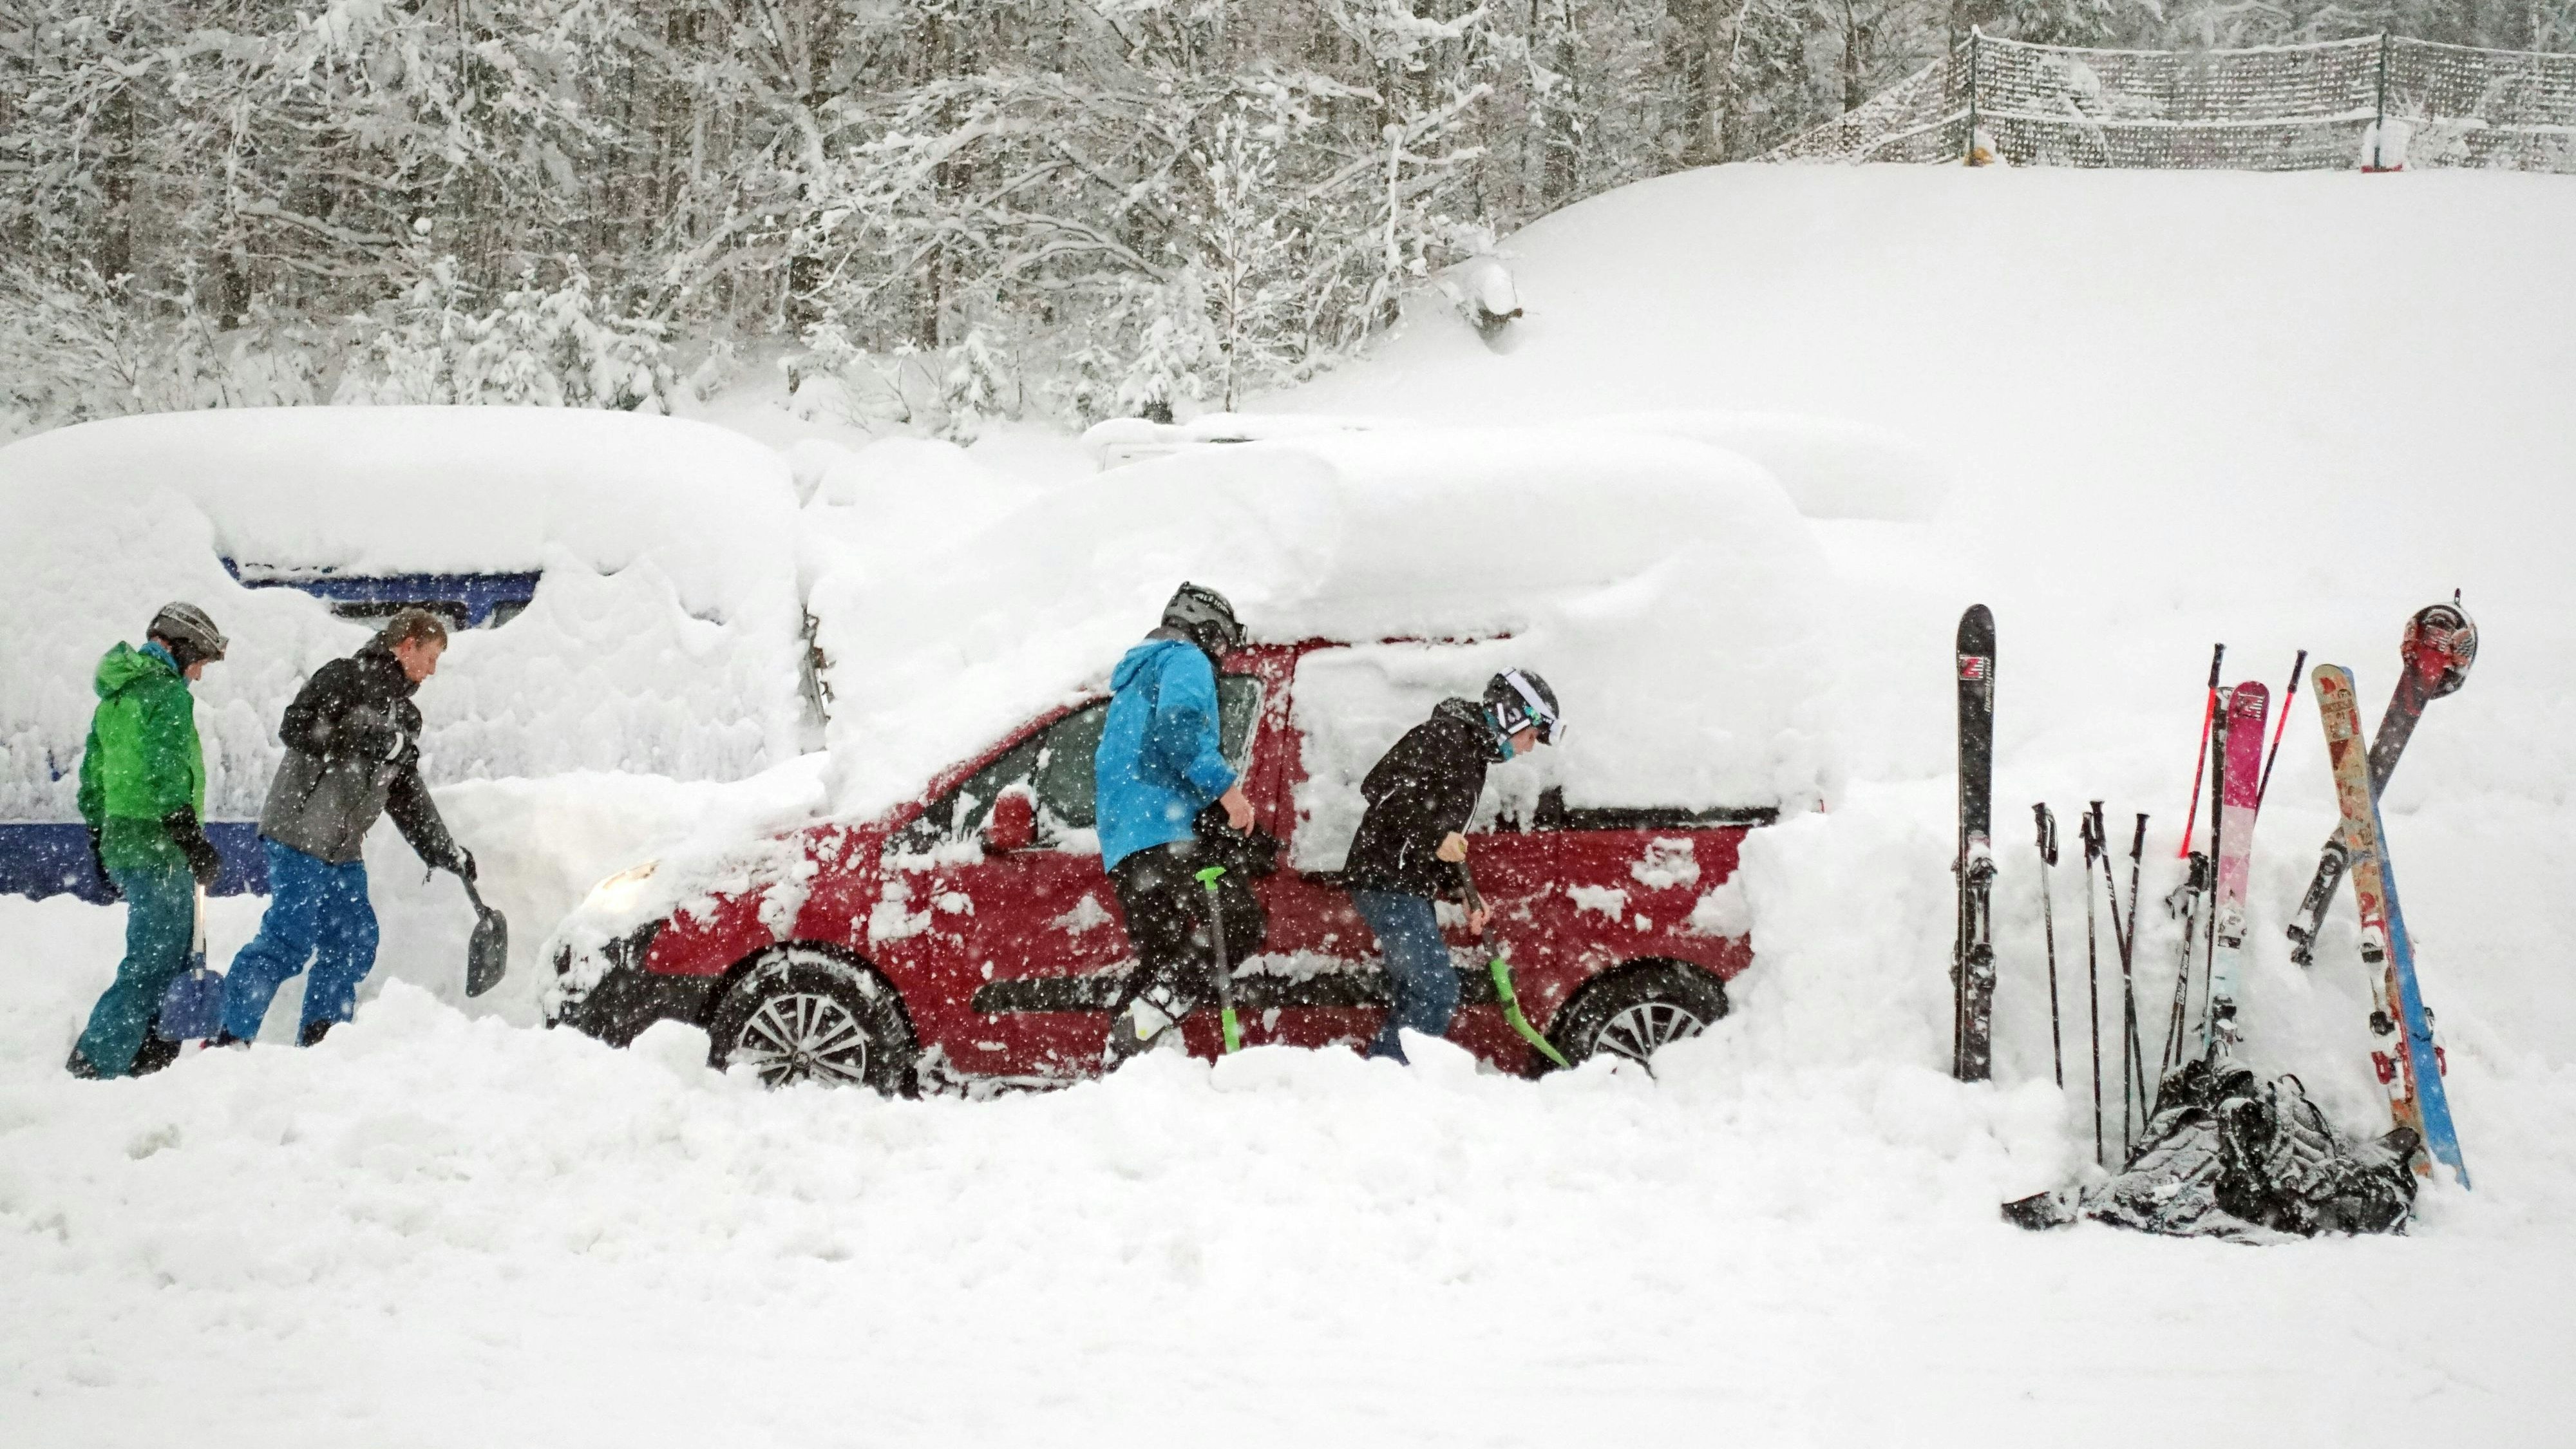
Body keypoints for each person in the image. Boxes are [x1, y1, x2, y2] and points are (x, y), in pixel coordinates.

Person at [214, 609, 476, 1047]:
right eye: (430, 657)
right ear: (407, 643)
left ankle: (323, 1040)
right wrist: (358, 741)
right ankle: (231, 1039)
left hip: (342, 848)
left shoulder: (405, 718)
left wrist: (444, 851)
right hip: (300, 831)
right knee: (287, 941)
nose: (432, 670)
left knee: (354, 941)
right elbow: (296, 726)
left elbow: (405, 793)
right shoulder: (346, 678)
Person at [1340, 669, 1561, 1063]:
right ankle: (1386, 1085)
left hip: (1406, 882)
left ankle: (1388, 1078)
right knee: (1436, 990)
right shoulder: (1444, 736)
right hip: (1385, 878)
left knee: (1418, 992)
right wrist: (1435, 837)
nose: (1529, 748)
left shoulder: (1473, 756)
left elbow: (1442, 841)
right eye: (1531, 737)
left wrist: (1464, 894)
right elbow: (1380, 788)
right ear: (1513, 716)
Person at [66, 603, 232, 1079]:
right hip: (158, 841)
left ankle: (152, 1058)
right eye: (198, 660)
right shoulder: (165, 694)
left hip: (126, 838)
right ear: (178, 647)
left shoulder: (115, 697)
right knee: (154, 962)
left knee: (177, 953)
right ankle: (94, 1063)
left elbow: (93, 777)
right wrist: (189, 836)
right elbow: (164, 768)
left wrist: (101, 838)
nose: (198, 674)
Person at [1094, 583, 1255, 1065]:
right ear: (1204, 629)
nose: (1222, 655)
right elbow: (1179, 729)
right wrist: (1228, 793)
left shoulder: (1134, 679)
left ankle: (1125, 1058)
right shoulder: (1185, 660)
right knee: (1239, 923)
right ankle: (1150, 1015)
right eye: (1222, 641)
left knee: (1163, 958)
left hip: (1127, 844)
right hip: (1165, 831)